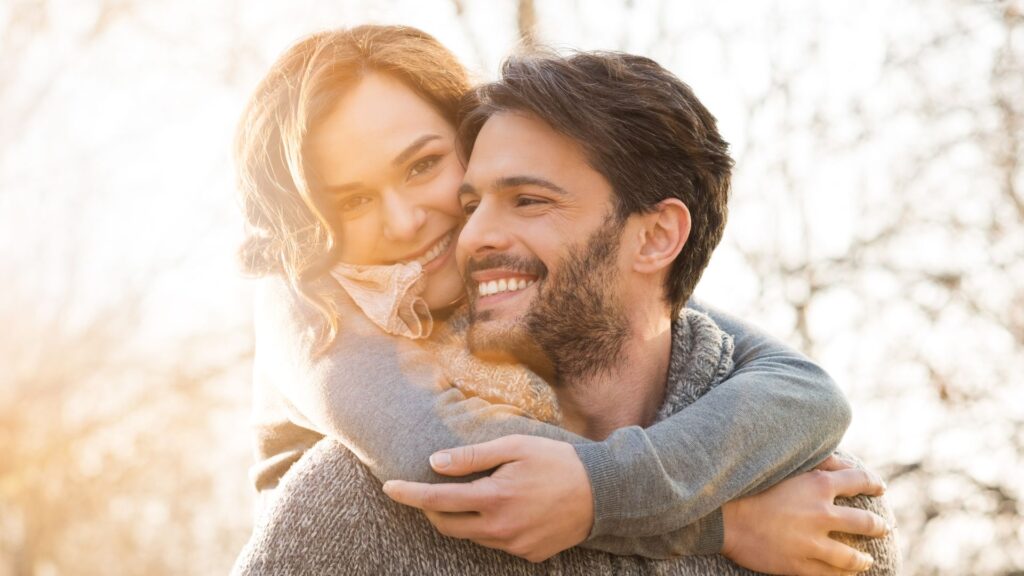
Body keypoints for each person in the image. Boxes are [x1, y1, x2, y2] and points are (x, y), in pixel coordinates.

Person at [231, 26, 897, 575]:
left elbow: (803, 390)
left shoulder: (504, 265)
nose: (406, 220)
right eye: (352, 200)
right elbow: (451, 464)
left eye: (423, 164)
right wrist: (723, 526)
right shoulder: (309, 304)